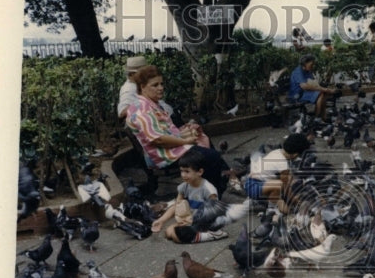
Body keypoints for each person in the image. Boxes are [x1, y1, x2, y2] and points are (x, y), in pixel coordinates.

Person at [125, 65, 229, 197]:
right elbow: (158, 139)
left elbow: (166, 132)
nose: (161, 88)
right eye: (155, 85)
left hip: (168, 147)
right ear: (142, 87)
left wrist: (187, 132)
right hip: (162, 154)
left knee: (202, 139)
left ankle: (222, 178)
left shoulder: (151, 103)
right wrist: (185, 140)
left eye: (162, 84)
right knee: (211, 157)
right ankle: (214, 192)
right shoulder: (142, 109)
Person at [151, 151, 228, 243]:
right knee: (168, 232)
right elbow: (177, 206)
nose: (183, 175)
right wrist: (161, 220)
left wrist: (192, 222)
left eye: (187, 171)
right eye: (181, 171)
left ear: (200, 172)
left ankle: (214, 234)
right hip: (190, 221)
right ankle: (194, 234)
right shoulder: (184, 186)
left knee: (176, 237)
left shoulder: (208, 190)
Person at [243, 133, 310, 212]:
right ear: (295, 154)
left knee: (287, 180)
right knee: (280, 186)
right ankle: (271, 208)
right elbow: (285, 186)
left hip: (256, 182)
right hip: (253, 185)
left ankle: (267, 200)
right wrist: (294, 200)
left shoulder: (278, 151)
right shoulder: (282, 164)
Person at [288, 54, 338, 120]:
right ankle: (316, 118)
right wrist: (325, 89)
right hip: (297, 95)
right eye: (311, 64)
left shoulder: (308, 71)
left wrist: (326, 89)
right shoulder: (298, 72)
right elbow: (305, 86)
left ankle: (323, 117)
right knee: (321, 93)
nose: (313, 66)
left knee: (324, 93)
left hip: (305, 92)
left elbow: (313, 83)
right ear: (305, 63)